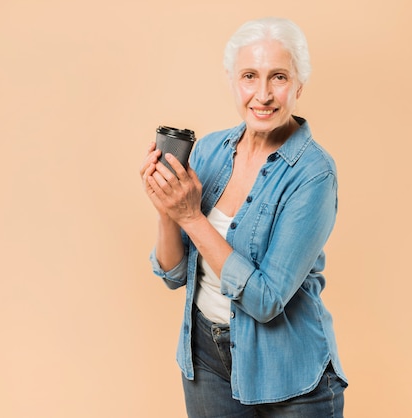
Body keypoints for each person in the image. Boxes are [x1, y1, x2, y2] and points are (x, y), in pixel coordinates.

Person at [139, 16, 348, 417]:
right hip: (206, 361)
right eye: (250, 76)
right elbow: (173, 274)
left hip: (289, 373)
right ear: (234, 82)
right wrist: (168, 210)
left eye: (279, 78)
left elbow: (266, 300)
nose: (263, 94)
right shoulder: (211, 150)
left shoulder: (314, 174)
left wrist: (193, 217)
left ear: (299, 85)